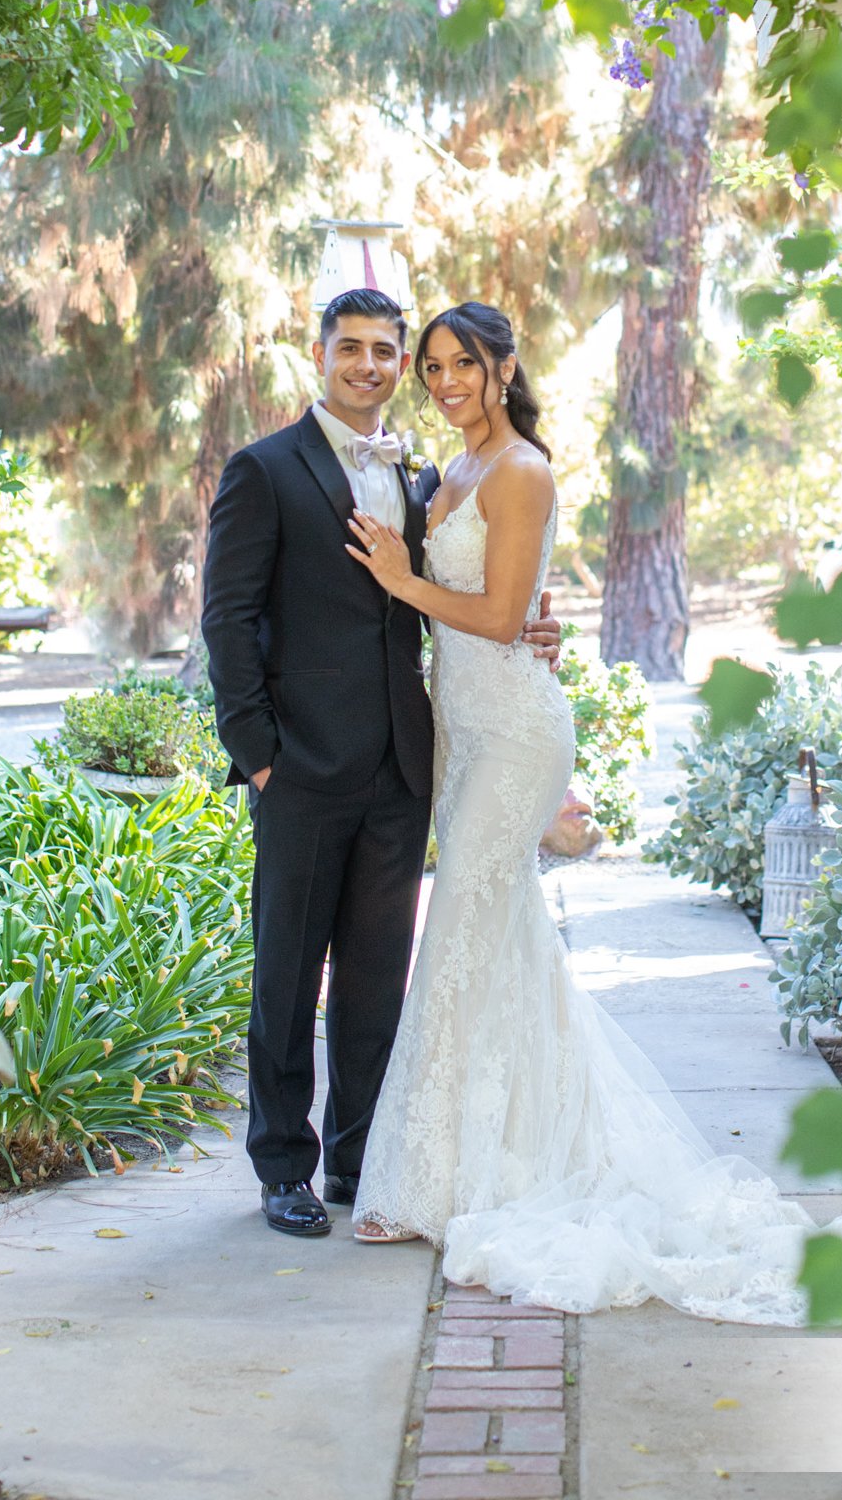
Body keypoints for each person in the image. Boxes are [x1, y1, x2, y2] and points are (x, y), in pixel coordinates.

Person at [343, 300, 842, 1325]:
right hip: (460, 733)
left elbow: (502, 618)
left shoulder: (522, 471)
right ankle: (498, 1155)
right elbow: (505, 612)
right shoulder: (445, 473)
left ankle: (433, 1186)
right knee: (498, 943)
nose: (446, 380)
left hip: (513, 734)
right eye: (434, 366)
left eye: (464, 363)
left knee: (458, 931)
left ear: (504, 368)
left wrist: (406, 579)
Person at [201, 287, 561, 1240]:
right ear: (320, 355)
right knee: (289, 972)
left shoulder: (424, 477)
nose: (372, 366)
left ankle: (365, 1156)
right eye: (351, 347)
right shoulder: (264, 470)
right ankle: (283, 1164)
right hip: (303, 766)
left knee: (375, 976)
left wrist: (532, 625)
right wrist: (259, 755)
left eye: (388, 352)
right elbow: (227, 621)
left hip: (408, 760)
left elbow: (463, 591)